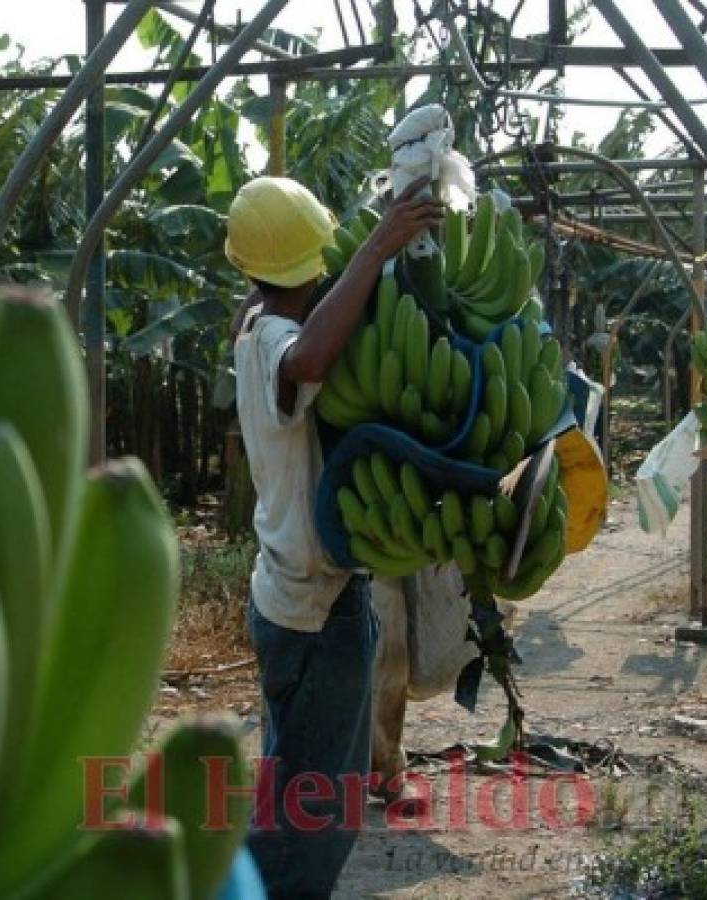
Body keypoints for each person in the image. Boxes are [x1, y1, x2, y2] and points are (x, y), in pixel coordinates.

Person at [226, 174, 443, 898]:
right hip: (317, 612)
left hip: (283, 596)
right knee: (318, 812)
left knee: (291, 789)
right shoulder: (279, 343)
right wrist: (378, 245)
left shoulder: (251, 324)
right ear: (313, 261)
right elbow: (309, 360)